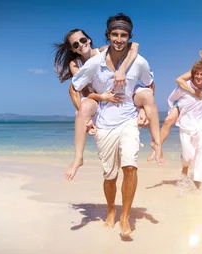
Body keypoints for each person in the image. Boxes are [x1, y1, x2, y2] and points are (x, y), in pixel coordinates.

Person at [71, 12, 156, 238]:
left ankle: (125, 216)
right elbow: (75, 86)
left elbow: (150, 84)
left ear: (129, 37)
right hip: (105, 124)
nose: (119, 39)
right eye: (115, 34)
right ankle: (110, 210)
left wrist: (142, 111)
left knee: (130, 166)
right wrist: (87, 114)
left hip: (128, 120)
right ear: (108, 35)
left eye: (124, 35)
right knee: (110, 176)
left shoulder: (139, 61)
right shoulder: (93, 64)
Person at [53, 29, 162, 181]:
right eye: (76, 44)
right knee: (76, 97)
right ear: (73, 49)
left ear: (89, 40)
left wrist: (141, 108)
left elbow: (134, 46)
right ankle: (78, 158)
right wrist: (102, 97)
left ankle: (156, 143)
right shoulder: (75, 64)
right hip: (97, 96)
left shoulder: (102, 51)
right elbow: (83, 92)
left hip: (120, 91)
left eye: (83, 40)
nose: (81, 45)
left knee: (146, 95)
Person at [149, 48, 202, 167]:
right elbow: (179, 80)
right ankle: (157, 148)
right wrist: (194, 92)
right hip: (187, 101)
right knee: (169, 120)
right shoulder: (197, 70)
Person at [168, 60, 202, 191]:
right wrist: (174, 110)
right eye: (197, 74)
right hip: (185, 124)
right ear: (193, 74)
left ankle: (200, 183)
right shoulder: (184, 86)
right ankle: (185, 170)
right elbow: (172, 99)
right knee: (188, 155)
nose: (199, 77)